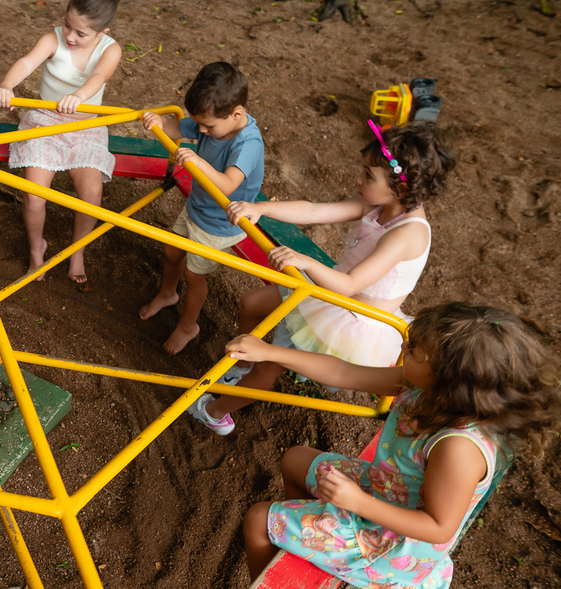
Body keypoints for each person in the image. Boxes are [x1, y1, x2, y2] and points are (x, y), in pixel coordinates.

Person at [231, 302, 557, 589]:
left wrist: (356, 502)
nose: (403, 351)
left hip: (391, 548)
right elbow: (345, 373)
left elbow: (439, 527)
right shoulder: (421, 386)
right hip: (382, 492)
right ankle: (303, 545)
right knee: (295, 459)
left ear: (450, 377)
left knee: (259, 519)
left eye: (414, 351)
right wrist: (270, 352)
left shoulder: (458, 448)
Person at [187, 120, 456, 436]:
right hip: (328, 292)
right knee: (251, 303)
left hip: (349, 315)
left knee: (270, 365)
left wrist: (307, 262)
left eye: (368, 176)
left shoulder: (408, 233)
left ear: (403, 186)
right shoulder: (381, 201)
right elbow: (315, 211)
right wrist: (260, 208)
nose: (359, 179)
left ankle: (215, 412)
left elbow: (351, 284)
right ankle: (241, 365)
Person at [0, 0, 123, 288]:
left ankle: (77, 253)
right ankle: (37, 248)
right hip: (46, 122)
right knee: (34, 194)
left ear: (101, 32)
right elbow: (27, 62)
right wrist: (7, 85)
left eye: (81, 33)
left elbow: (99, 76)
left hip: (85, 126)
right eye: (67, 25)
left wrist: (78, 96)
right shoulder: (53, 39)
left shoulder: (111, 49)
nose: (70, 36)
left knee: (91, 195)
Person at [138, 61, 265, 354]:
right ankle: (168, 294)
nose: (203, 131)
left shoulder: (248, 144)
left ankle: (188, 326)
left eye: (209, 126)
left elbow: (228, 184)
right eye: (200, 125)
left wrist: (197, 162)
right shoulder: (211, 120)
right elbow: (175, 127)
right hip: (197, 207)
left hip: (222, 223)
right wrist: (158, 120)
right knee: (172, 251)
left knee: (194, 275)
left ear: (237, 114)